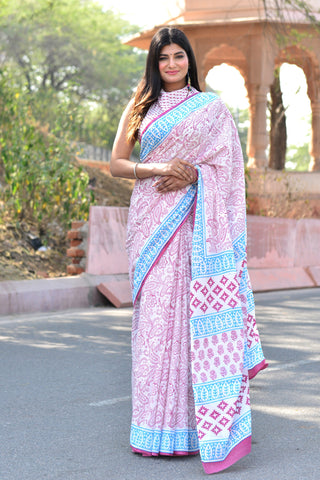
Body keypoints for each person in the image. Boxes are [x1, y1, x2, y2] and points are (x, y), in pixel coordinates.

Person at [110, 26, 267, 475]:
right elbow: (117, 162)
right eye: (164, 58)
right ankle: (151, 427)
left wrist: (197, 175)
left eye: (179, 56)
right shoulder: (142, 104)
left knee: (189, 327)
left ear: (189, 60)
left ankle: (197, 430)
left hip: (199, 226)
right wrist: (158, 166)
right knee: (156, 326)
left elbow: (229, 169)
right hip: (150, 225)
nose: (172, 64)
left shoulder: (211, 108)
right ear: (155, 64)